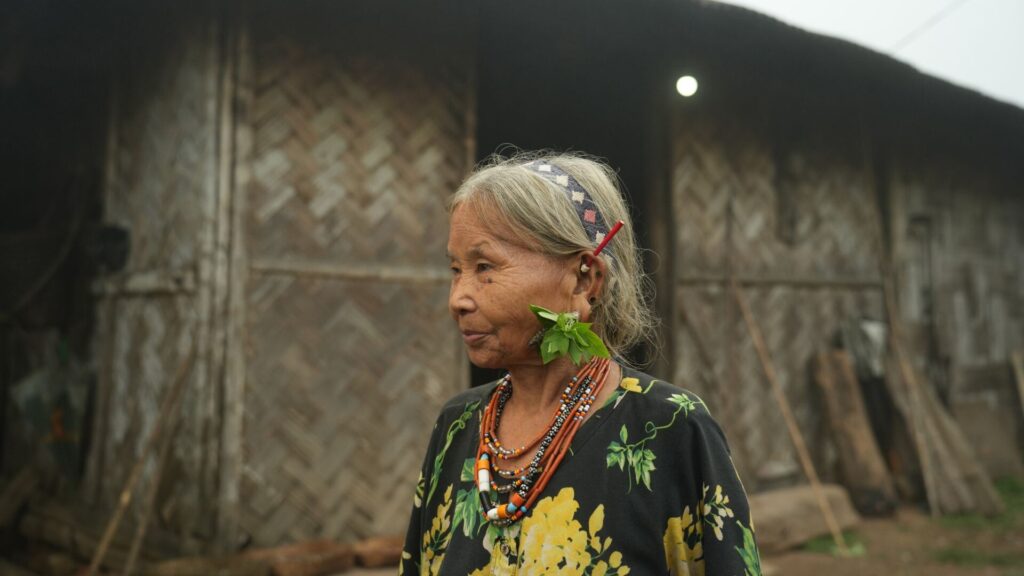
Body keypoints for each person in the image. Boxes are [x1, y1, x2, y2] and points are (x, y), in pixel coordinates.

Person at [400, 153, 760, 575]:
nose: (457, 299)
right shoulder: (457, 425)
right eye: (455, 269)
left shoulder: (670, 429)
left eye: (484, 267)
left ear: (584, 278)